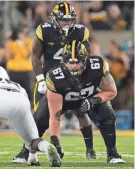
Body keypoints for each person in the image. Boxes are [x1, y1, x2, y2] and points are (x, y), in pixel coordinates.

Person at [12, 2, 96, 163]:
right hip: (49, 81)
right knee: (38, 119)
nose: (67, 23)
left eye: (70, 20)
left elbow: (87, 59)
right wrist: (40, 79)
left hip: (72, 81)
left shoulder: (80, 32)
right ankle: (27, 153)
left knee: (83, 112)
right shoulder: (45, 30)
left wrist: (85, 81)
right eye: (63, 20)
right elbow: (35, 56)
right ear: (54, 19)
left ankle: (94, 149)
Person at [46, 40, 125, 164]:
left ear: (85, 60)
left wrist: (93, 100)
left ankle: (112, 153)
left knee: (107, 114)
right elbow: (54, 115)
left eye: (77, 61)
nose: (74, 66)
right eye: (70, 62)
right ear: (63, 61)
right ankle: (27, 152)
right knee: (39, 119)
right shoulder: (55, 76)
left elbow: (112, 91)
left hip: (88, 96)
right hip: (63, 98)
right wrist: (55, 142)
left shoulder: (97, 65)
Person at [0, 66, 61, 167]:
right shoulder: (16, 85)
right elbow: (25, 105)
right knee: (32, 140)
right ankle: (45, 147)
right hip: (20, 100)